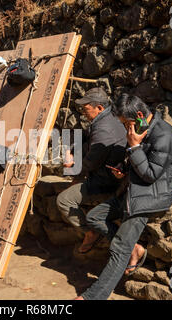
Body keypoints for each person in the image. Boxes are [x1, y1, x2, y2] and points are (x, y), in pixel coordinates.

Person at [75, 94, 172, 300]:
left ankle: (93, 297)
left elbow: (151, 175)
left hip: (149, 199)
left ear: (140, 115)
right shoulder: (140, 128)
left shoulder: (164, 136)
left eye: (126, 124)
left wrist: (134, 146)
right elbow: (135, 161)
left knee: (118, 249)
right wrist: (122, 168)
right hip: (131, 192)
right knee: (94, 217)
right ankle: (135, 249)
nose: (125, 128)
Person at [56, 87, 127, 253]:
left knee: (63, 200)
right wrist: (72, 152)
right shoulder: (108, 118)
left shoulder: (103, 130)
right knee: (74, 181)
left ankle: (90, 232)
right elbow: (88, 141)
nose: (83, 113)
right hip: (104, 173)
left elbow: (90, 163)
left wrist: (72, 168)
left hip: (106, 182)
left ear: (99, 108)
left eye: (86, 109)